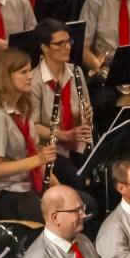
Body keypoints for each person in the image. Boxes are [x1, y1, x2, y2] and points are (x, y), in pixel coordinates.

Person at [0, 49, 58, 221]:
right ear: (5, 77)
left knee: (82, 204)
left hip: (24, 185)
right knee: (54, 218)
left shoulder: (21, 107)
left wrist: (56, 185)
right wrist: (38, 160)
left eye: (30, 70)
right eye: (23, 72)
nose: (30, 76)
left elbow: (34, 150)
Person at [29, 19, 96, 192]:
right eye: (60, 43)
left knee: (103, 176)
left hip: (78, 143)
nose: (67, 47)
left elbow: (87, 109)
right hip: (51, 150)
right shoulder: (34, 81)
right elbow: (32, 126)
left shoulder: (76, 72)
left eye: (68, 42)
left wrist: (87, 116)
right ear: (44, 48)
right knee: (78, 182)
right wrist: (65, 135)